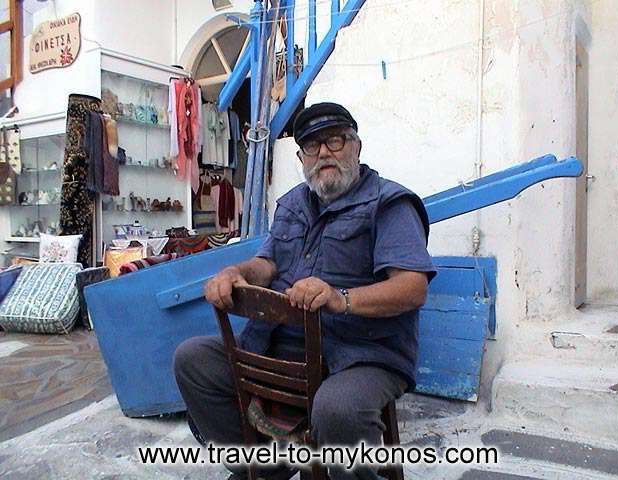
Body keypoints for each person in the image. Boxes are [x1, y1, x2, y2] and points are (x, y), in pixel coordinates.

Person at [173, 102, 437, 480]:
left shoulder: (390, 203)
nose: (324, 153)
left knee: (337, 410)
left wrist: (339, 299)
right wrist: (234, 271)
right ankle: (266, 468)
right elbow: (267, 264)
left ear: (356, 147)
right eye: (312, 146)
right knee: (193, 360)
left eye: (335, 141)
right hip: (276, 350)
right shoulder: (294, 203)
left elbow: (412, 289)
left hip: (358, 355)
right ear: (301, 157)